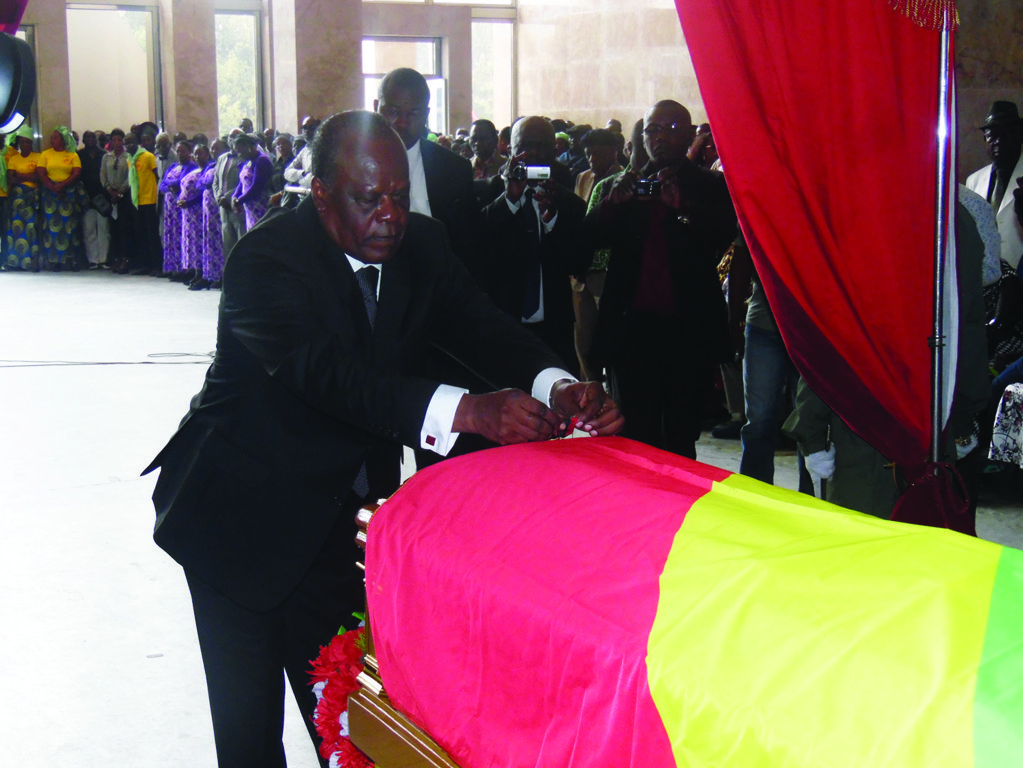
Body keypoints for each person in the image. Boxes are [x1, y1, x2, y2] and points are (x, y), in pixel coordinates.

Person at [143, 109, 622, 768]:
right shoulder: (269, 258)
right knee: (251, 738)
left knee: (348, 723)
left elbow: (481, 325)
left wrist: (554, 384)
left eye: (398, 196)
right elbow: (332, 380)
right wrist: (470, 412)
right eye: (369, 200)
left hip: (338, 526)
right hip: (239, 523)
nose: (390, 215)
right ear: (321, 194)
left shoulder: (421, 246)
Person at [588, 100, 737, 458]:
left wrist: (683, 209)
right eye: (652, 129)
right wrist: (613, 204)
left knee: (682, 434)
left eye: (670, 129)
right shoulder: (623, 184)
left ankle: (682, 507)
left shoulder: (710, 184)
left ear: (688, 134)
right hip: (632, 331)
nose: (659, 137)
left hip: (688, 330)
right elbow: (589, 241)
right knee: (638, 433)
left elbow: (722, 236)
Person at [479, 116, 590, 376]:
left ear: (555, 151)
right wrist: (509, 201)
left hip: (554, 329)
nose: (535, 153)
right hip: (502, 325)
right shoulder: (487, 193)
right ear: (510, 149)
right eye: (527, 146)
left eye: (543, 146)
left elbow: (579, 263)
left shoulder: (569, 203)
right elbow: (478, 248)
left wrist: (552, 222)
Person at [36, 126, 83, 272]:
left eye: (55, 137)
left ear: (63, 139)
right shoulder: (45, 154)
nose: (52, 140)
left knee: (69, 226)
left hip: (67, 193)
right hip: (50, 194)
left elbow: (76, 173)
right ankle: (54, 260)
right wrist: (52, 187)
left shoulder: (72, 155)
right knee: (51, 227)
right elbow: (41, 173)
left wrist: (62, 185)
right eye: (52, 137)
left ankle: (70, 260)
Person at [158, 139, 198, 280]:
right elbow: (162, 185)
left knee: (182, 237)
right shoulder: (172, 166)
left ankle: (184, 269)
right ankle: (172, 268)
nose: (181, 153)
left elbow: (184, 182)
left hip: (182, 209)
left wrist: (172, 184)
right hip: (170, 210)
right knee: (171, 236)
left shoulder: (192, 166)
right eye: (178, 150)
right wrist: (169, 186)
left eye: (184, 151)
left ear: (189, 152)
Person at [4, 125, 40, 271]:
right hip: (17, 197)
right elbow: (10, 179)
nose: (25, 145)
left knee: (31, 227)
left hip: (32, 196)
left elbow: (38, 177)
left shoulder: (38, 157)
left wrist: (19, 175)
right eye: (23, 142)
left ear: (32, 143)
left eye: (28, 142)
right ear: (19, 144)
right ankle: (15, 263)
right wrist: (27, 177)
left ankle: (33, 261)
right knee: (16, 227)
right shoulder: (13, 159)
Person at [125, 130, 161, 275]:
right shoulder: (129, 159)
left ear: (137, 142)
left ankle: (156, 266)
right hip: (136, 200)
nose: (129, 145)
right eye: (126, 142)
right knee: (140, 234)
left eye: (131, 141)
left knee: (152, 234)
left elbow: (156, 176)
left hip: (150, 199)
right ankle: (144, 264)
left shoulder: (148, 156)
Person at [177, 143, 211, 289]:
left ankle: (205, 274)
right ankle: (196, 272)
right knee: (193, 244)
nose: (198, 156)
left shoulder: (209, 171)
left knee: (201, 243)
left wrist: (189, 202)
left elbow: (202, 191)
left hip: (199, 211)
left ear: (208, 155)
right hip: (189, 214)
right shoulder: (196, 170)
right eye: (196, 154)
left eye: (201, 153)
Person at [100, 128, 133, 274]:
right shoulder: (106, 157)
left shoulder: (128, 157)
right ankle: (116, 258)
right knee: (113, 229)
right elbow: (103, 176)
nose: (117, 143)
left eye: (119, 140)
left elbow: (130, 176)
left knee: (124, 228)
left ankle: (125, 259)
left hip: (124, 196)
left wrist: (120, 191)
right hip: (110, 196)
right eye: (114, 140)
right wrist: (110, 190)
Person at [77, 130, 109, 268]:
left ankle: (104, 259)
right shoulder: (79, 155)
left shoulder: (104, 155)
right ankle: (93, 260)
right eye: (88, 137)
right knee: (89, 229)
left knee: (104, 229)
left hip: (102, 196)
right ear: (83, 140)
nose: (91, 139)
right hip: (86, 196)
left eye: (93, 137)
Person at [213, 129, 247, 260]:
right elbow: (216, 180)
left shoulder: (244, 158)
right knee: (227, 243)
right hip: (223, 207)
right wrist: (218, 197)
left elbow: (242, 182)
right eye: (231, 137)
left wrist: (227, 197)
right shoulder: (222, 158)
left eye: (236, 136)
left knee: (241, 240)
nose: (233, 139)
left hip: (237, 205)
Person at [231, 133, 273, 233]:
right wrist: (234, 196)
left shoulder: (262, 160)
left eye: (240, 151)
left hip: (262, 207)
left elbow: (256, 187)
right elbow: (241, 182)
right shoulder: (248, 161)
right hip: (250, 208)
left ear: (248, 147)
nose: (239, 155)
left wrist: (240, 200)